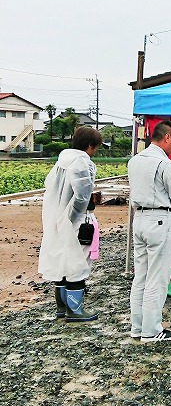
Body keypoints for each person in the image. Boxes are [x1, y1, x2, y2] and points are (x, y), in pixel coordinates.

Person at [128, 119, 171, 342]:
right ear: (167, 137)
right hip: (161, 217)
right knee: (157, 277)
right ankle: (152, 330)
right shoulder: (166, 164)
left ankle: (137, 326)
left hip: (139, 217)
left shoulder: (134, 161)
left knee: (140, 276)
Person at [38, 125, 103, 322]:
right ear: (90, 146)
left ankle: (61, 307)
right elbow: (82, 195)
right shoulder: (83, 162)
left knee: (63, 261)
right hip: (75, 221)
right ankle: (74, 310)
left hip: (56, 218)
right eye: (96, 148)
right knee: (77, 263)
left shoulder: (61, 161)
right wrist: (74, 217)